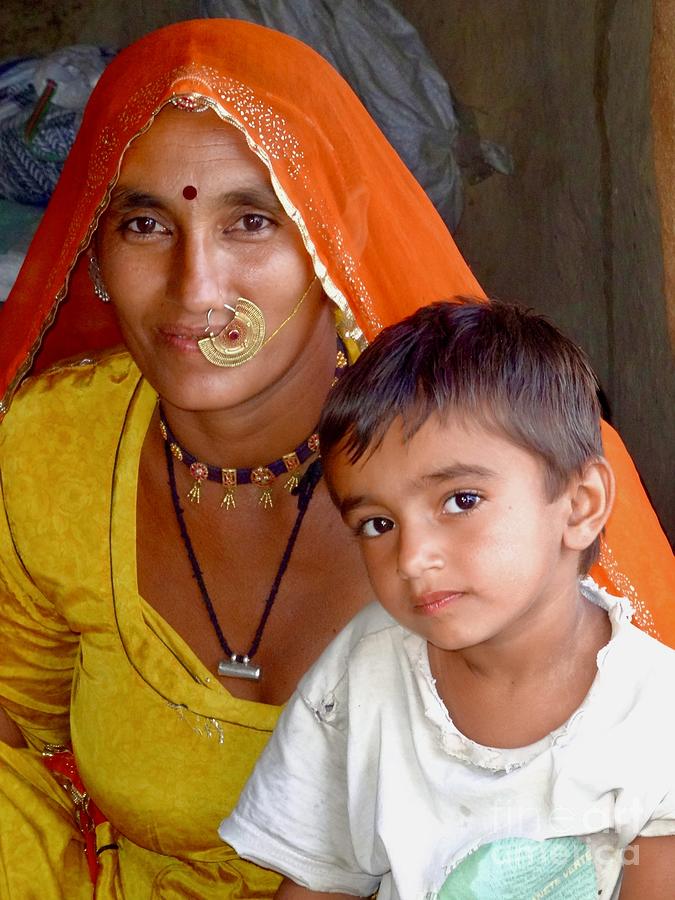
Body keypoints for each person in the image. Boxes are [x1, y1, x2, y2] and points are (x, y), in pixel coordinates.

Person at [0, 17, 671, 899]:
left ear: (329, 233)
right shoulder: (53, 443)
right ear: (94, 250)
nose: (195, 290)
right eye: (143, 223)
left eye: (250, 221)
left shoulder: (499, 465)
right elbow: (22, 727)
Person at [220, 300, 675, 900]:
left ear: (580, 503)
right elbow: (317, 884)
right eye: (378, 524)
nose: (411, 559)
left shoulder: (655, 721)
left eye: (460, 500)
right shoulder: (363, 672)